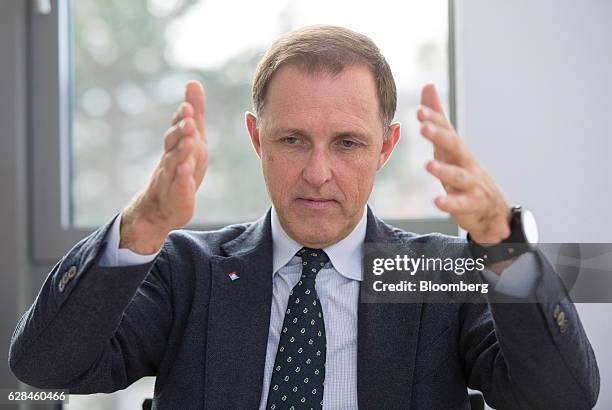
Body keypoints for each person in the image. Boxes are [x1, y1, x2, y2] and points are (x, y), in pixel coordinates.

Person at [9, 25, 599, 409]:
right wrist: (142, 226)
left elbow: (561, 396)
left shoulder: (434, 274)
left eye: (347, 143)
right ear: (255, 137)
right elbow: (45, 365)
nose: (318, 173)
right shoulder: (188, 270)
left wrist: (501, 242)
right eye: (292, 140)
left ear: (386, 147)